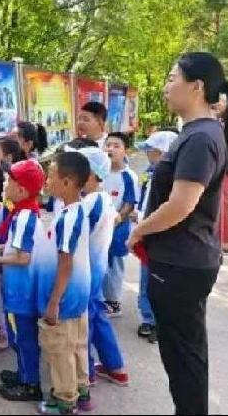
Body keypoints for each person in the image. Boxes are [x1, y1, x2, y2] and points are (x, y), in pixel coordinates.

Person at [128, 52, 228, 415]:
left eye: (172, 78)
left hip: (181, 263)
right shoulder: (197, 132)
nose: (166, 87)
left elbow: (181, 205)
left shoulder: (200, 137)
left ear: (196, 87)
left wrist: (139, 230)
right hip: (182, 260)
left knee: (183, 358)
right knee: (185, 354)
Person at [0, 159, 46, 403]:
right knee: (21, 335)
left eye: (10, 181)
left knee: (23, 338)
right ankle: (23, 374)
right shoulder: (23, 212)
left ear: (21, 190)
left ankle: (30, 384)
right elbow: (15, 247)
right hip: (20, 289)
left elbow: (22, 257)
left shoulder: (23, 217)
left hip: (21, 292)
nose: (5, 185)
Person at [36, 152, 91, 416]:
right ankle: (82, 390)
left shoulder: (69, 218)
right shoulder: (74, 210)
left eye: (51, 176)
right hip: (78, 293)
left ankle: (65, 401)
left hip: (67, 295)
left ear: (67, 182)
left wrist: (54, 302)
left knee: (60, 348)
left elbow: (65, 263)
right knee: (77, 344)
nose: (47, 181)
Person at [74, 147, 130, 391]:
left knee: (84, 322)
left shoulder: (88, 203)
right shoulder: (104, 198)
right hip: (96, 269)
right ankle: (115, 366)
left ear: (87, 174)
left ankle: (85, 372)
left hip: (84, 272)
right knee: (97, 316)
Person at [134, 130, 178, 343]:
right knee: (147, 277)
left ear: (161, 153)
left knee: (159, 279)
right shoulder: (150, 172)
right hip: (147, 231)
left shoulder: (172, 178)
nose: (147, 154)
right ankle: (149, 318)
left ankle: (160, 320)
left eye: (150, 150)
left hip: (160, 234)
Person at [0, 135, 27, 352]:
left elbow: (7, 227)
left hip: (3, 252)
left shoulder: (13, 194)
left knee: (2, 293)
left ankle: (5, 333)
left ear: (8, 157)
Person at [102, 132, 139, 318]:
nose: (111, 149)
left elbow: (130, 202)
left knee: (114, 264)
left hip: (118, 229)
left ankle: (114, 302)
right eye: (108, 145)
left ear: (126, 151)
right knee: (101, 263)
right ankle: (102, 298)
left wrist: (117, 218)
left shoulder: (128, 176)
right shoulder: (100, 172)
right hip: (100, 227)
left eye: (116, 146)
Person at [213, 94, 228, 253]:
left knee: (221, 203)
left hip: (224, 169)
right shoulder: (213, 119)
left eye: (222, 101)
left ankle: (224, 240)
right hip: (213, 167)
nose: (218, 103)